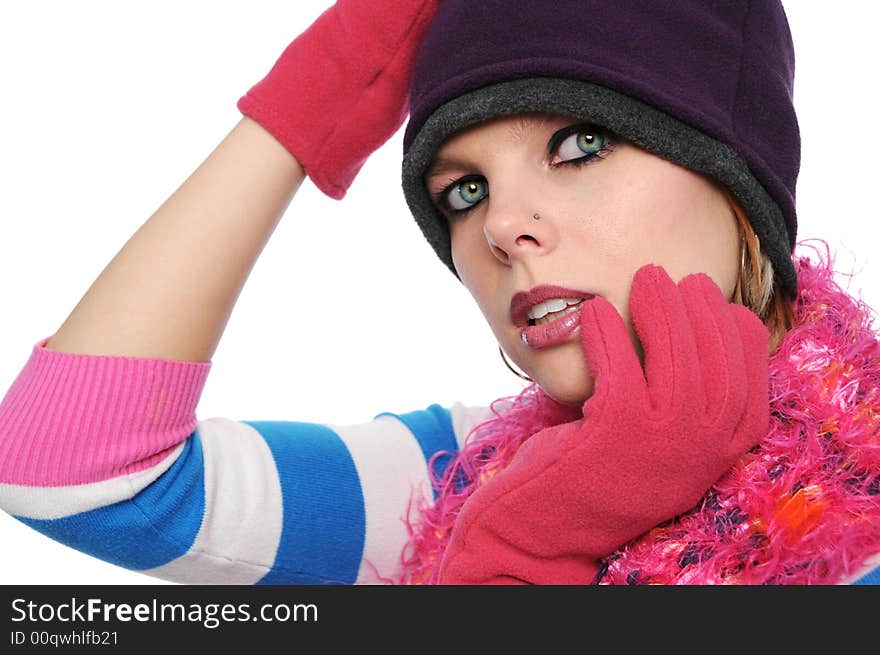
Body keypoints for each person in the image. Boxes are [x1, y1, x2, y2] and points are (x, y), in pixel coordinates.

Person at [1, 0, 878, 585]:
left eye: (580, 143)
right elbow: (68, 472)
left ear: (736, 179)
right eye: (463, 190)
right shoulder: (460, 476)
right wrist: (312, 105)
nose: (500, 225)